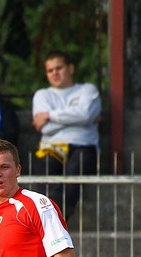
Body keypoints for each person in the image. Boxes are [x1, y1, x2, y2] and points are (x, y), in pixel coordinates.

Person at [31, 50, 101, 221]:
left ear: (71, 68)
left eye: (59, 68)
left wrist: (49, 115)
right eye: (50, 70)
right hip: (51, 148)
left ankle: (59, 218)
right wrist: (78, 119)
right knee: (45, 169)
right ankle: (47, 218)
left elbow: (85, 114)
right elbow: (45, 129)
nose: (54, 73)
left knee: (78, 166)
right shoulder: (42, 95)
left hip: (83, 147)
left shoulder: (88, 90)